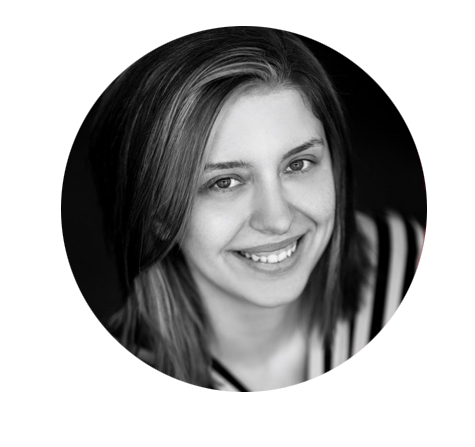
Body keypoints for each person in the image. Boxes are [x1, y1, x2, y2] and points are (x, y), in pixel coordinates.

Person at [69, 26, 426, 391]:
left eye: (298, 164)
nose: (278, 219)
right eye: (224, 182)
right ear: (158, 215)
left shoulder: (409, 268)